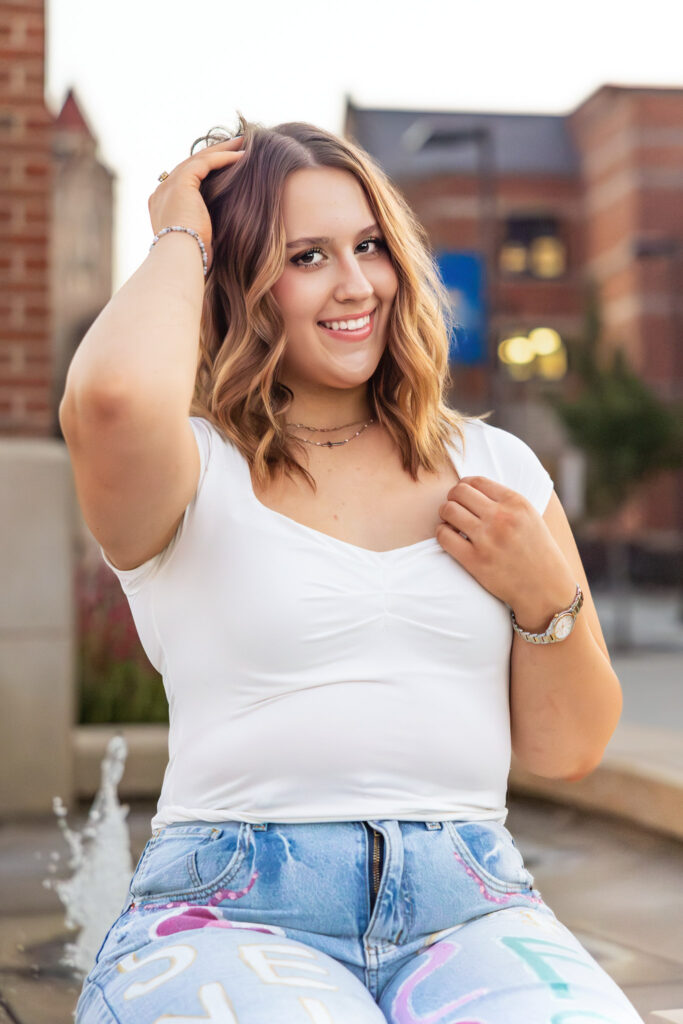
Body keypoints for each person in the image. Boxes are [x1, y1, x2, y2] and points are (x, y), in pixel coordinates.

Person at [61, 114, 643, 1023]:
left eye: (369, 245)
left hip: (471, 905)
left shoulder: (495, 467)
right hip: (231, 905)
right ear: (237, 281)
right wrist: (181, 227)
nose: (355, 283)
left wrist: (545, 595)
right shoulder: (191, 469)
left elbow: (568, 750)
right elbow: (110, 395)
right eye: (306, 257)